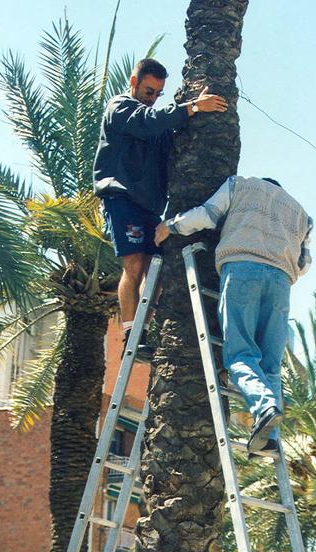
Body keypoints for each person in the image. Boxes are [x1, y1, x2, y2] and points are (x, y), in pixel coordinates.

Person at [155, 175, 313, 457]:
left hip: (243, 269)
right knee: (271, 365)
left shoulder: (240, 185)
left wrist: (171, 226)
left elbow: (207, 215)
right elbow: (304, 264)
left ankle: (264, 406)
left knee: (240, 355)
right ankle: (269, 438)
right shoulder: (302, 214)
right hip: (281, 283)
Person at [93, 58, 228, 358]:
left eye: (157, 94)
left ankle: (141, 331)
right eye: (148, 90)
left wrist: (194, 114)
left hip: (150, 207)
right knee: (135, 265)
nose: (152, 98)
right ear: (133, 82)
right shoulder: (120, 107)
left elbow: (169, 135)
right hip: (122, 199)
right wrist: (191, 107)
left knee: (157, 270)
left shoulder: (156, 124)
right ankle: (130, 335)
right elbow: (147, 123)